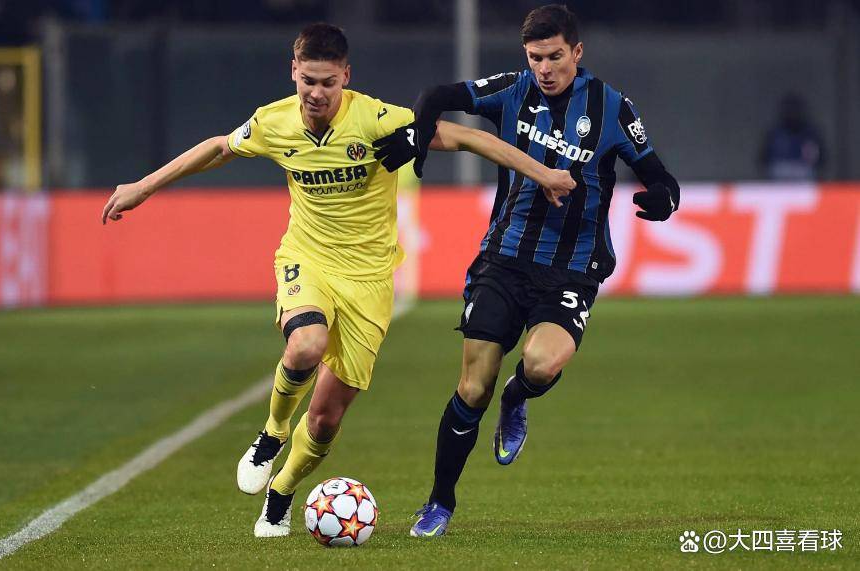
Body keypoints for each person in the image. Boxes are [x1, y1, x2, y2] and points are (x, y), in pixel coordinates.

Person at [101, 23, 575, 538]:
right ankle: (271, 434)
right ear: (294, 72)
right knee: (306, 344)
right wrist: (144, 186)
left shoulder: (376, 120)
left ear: (346, 77)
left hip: (369, 283)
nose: (316, 93)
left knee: (326, 419)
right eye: (308, 80)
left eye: (328, 82)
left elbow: (470, 138)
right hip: (308, 259)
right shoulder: (273, 122)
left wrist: (544, 174)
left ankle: (280, 495)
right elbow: (219, 148)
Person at [374, 4, 681, 537]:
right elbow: (437, 96)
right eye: (535, 57)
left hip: (572, 270)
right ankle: (440, 501)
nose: (544, 68)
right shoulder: (512, 90)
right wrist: (420, 136)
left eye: (554, 56)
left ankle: (518, 397)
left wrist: (662, 200)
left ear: (577, 52)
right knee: (473, 387)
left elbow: (659, 175)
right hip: (504, 259)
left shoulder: (611, 106)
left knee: (539, 364)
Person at [759, 93, 825, 181]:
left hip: (804, 174)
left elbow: (822, 160)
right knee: (779, 170)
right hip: (780, 174)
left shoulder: (811, 133)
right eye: (789, 110)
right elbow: (763, 159)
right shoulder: (774, 133)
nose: (792, 114)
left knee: (804, 172)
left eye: (795, 110)